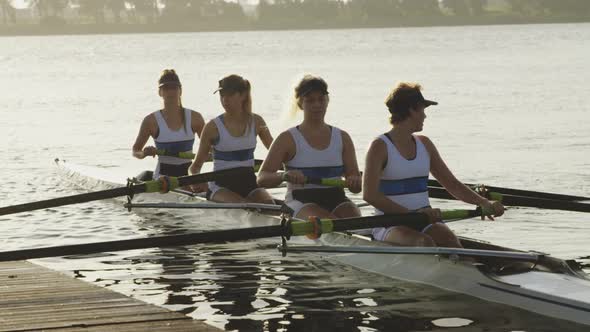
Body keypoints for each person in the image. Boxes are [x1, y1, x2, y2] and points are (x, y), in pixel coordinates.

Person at [362, 82, 504, 248]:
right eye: (422, 110)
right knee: (425, 242)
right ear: (411, 110)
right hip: (390, 223)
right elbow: (370, 195)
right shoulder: (379, 146)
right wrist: (411, 214)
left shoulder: (425, 144)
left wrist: (483, 202)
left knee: (450, 241)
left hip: (425, 219)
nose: (425, 116)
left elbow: (452, 184)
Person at [257, 75, 362, 219]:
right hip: (300, 200)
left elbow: (356, 186)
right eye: (310, 100)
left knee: (354, 219)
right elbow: (262, 178)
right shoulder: (287, 139)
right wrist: (284, 175)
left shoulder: (343, 138)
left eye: (321, 99)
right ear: (300, 104)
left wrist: (355, 182)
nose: (317, 104)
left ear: (327, 101)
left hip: (337, 198)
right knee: (328, 221)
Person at [189, 74, 274, 204]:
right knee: (243, 207)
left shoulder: (257, 122)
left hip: (250, 184)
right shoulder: (212, 127)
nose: (225, 100)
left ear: (243, 95)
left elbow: (277, 155)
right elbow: (195, 167)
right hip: (220, 187)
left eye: (230, 95)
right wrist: (195, 181)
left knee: (270, 206)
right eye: (222, 95)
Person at [132, 69, 204, 180]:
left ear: (180, 91)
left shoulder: (195, 118)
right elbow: (135, 150)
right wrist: (144, 154)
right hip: (162, 178)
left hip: (188, 175)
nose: (170, 92)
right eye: (166, 88)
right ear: (160, 92)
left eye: (174, 88)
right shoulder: (150, 121)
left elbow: (211, 148)